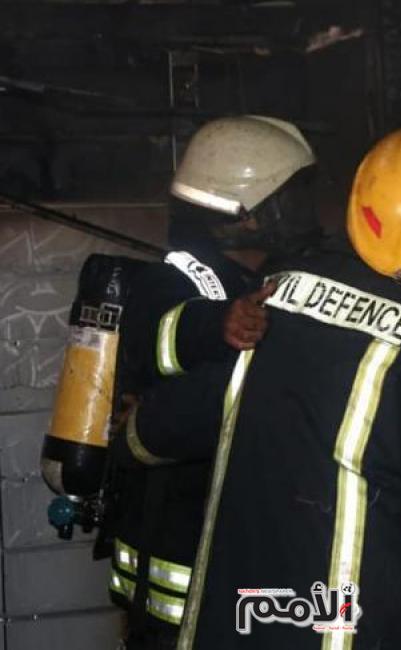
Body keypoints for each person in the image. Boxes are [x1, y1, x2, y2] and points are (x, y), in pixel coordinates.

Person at [123, 120, 401, 650]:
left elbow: (198, 410)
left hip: (235, 623)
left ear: (359, 200)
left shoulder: (274, 292)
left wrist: (133, 432)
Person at [106, 115, 318, 650]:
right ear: (243, 215)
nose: (305, 208)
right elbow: (160, 334)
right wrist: (219, 324)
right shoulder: (174, 277)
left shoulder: (285, 276)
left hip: (253, 564)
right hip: (177, 566)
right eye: (289, 196)